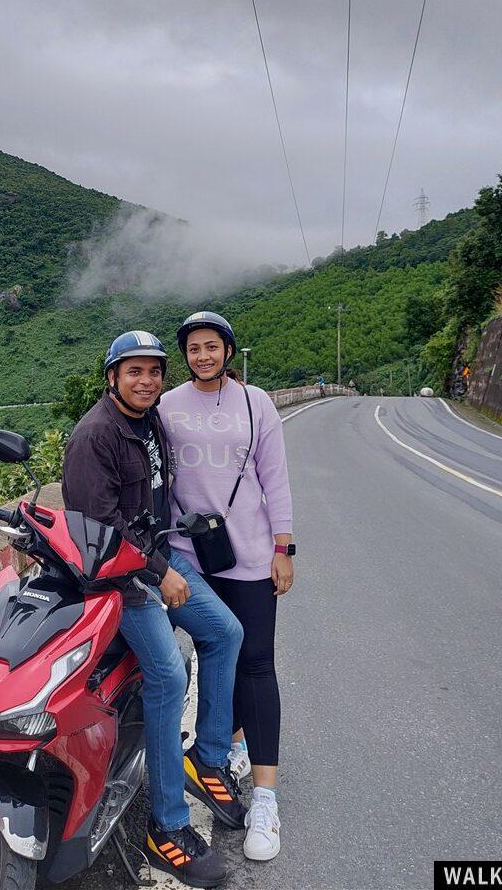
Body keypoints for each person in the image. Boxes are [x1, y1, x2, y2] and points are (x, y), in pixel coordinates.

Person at [61, 330, 246, 888]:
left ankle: (207, 757)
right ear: (112, 377)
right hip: (120, 578)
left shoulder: (151, 423)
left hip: (159, 559)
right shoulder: (96, 436)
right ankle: (166, 828)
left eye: (154, 371)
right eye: (134, 371)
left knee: (226, 633)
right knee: (167, 675)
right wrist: (158, 573)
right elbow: (97, 531)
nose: (146, 381)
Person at [158, 311, 295, 863]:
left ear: (228, 351)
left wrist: (284, 549)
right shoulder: (166, 406)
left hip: (250, 557)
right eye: (193, 349)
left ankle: (265, 795)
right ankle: (225, 747)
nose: (203, 356)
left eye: (212, 347)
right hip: (188, 558)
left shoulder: (255, 403)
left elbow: (275, 478)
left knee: (256, 662)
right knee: (211, 657)